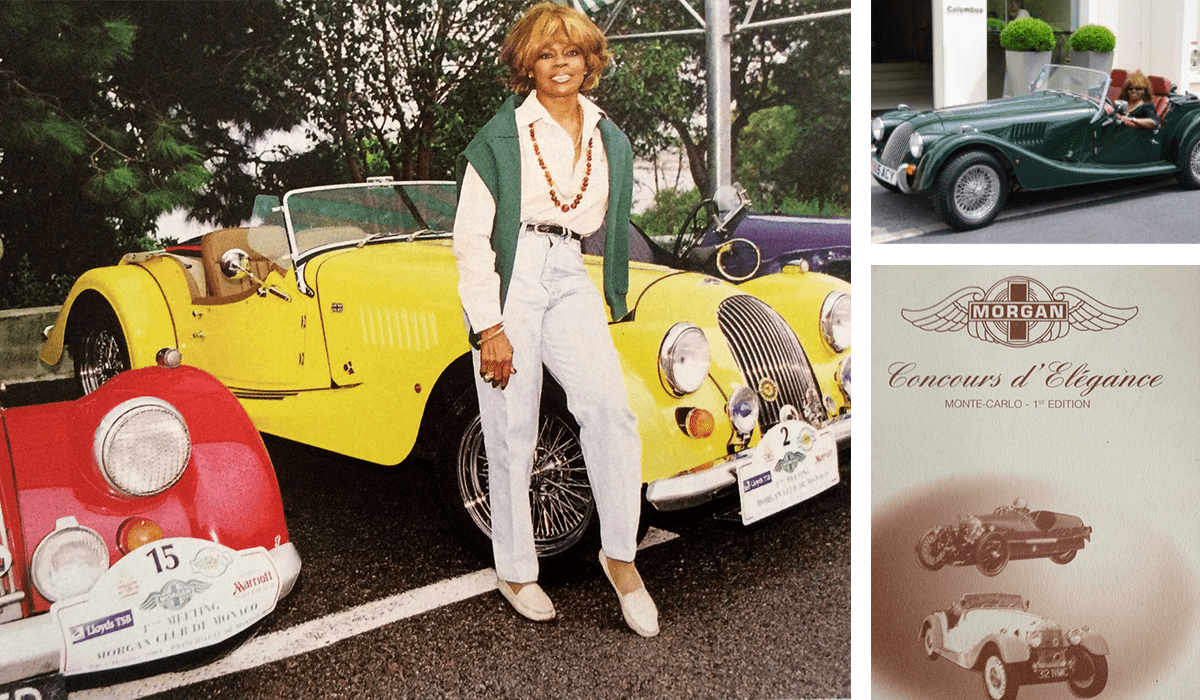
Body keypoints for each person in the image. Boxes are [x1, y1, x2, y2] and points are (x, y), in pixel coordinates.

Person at [451, 1, 658, 637]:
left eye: (571, 51)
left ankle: (621, 558)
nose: (560, 63)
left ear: (589, 61)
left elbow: (600, 221)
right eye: (546, 53)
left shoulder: (608, 137)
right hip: (512, 272)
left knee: (611, 411)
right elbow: (470, 241)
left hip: (569, 270)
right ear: (527, 66)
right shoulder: (499, 138)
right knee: (512, 427)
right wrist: (490, 326)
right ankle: (514, 568)